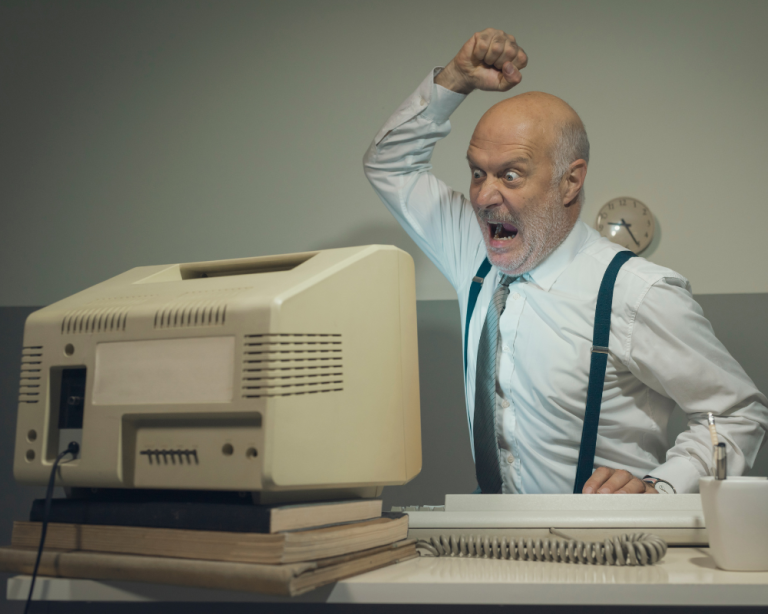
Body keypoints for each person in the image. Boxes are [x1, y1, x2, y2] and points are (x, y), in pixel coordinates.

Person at [363, 28, 768, 495]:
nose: (484, 197)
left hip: (606, 552)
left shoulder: (636, 293)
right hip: (494, 545)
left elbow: (739, 412)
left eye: (510, 175)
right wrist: (455, 78)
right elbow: (388, 164)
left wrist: (660, 488)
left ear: (570, 181)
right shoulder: (472, 251)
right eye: (477, 173)